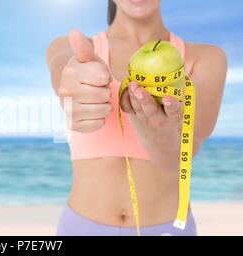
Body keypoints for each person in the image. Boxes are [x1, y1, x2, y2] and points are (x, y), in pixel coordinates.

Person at [46, 0, 227, 236]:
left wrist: (158, 133)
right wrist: (73, 87)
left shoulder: (206, 59)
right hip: (81, 228)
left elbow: (180, 157)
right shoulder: (72, 49)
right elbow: (63, 68)